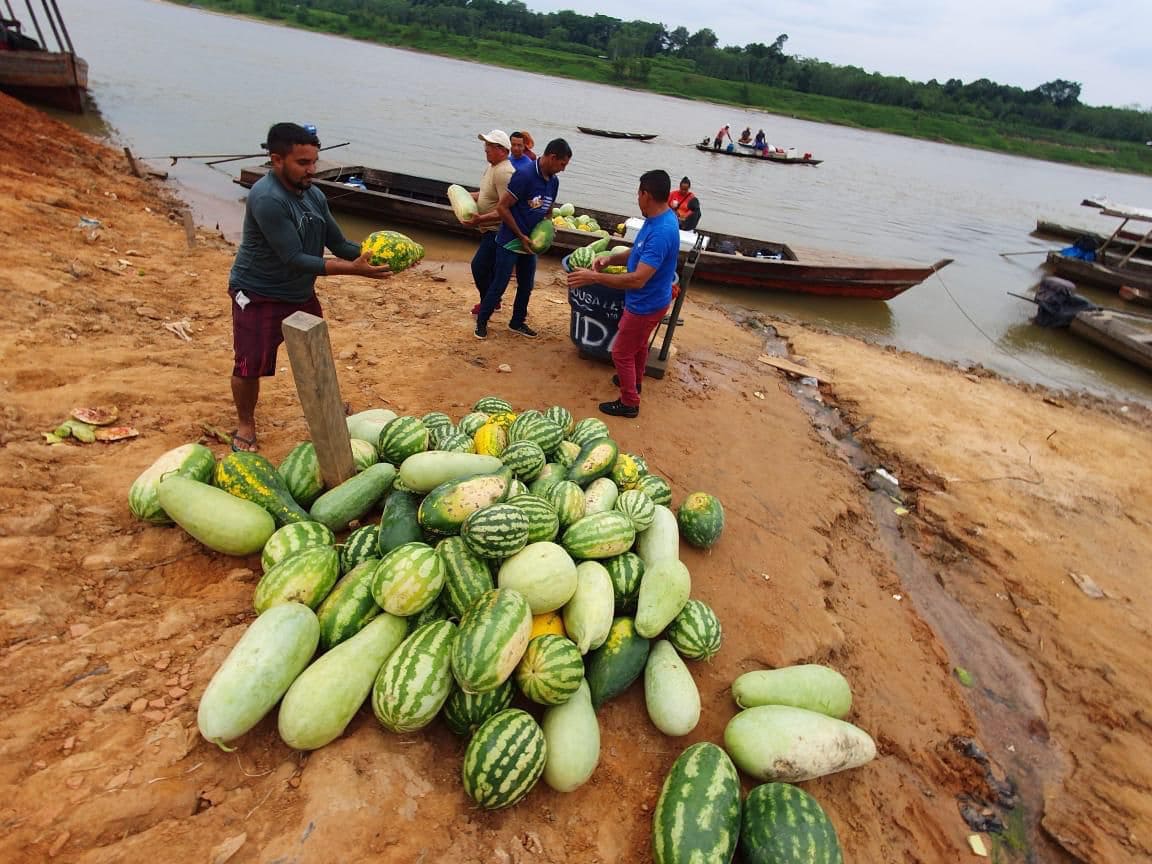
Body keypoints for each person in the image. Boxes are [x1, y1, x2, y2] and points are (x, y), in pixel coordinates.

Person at [227, 122, 390, 452]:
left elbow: (340, 244)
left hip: (298, 293)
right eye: (303, 163)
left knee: (315, 354)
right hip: (258, 293)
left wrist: (382, 256)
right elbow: (294, 258)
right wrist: (354, 272)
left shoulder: (314, 195)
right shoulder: (267, 198)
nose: (312, 170)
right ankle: (246, 423)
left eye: (314, 162)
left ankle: (326, 405)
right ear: (276, 160)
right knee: (249, 364)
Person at [567, 169, 679, 418]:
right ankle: (635, 382)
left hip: (645, 304)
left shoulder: (662, 231)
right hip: (650, 301)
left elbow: (638, 279)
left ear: (646, 195)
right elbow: (638, 250)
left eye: (638, 194)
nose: (637, 199)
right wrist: (610, 259)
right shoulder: (657, 218)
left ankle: (629, 402)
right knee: (638, 347)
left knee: (620, 352)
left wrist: (593, 277)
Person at [475, 137, 573, 340]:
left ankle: (517, 322)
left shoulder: (553, 182)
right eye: (562, 164)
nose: (563, 169)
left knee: (526, 285)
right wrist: (520, 235)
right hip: (510, 240)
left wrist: (548, 227)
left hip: (530, 245)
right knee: (499, 283)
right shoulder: (525, 175)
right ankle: (482, 322)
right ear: (552, 157)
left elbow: (548, 209)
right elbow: (502, 207)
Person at [466, 129, 529, 316]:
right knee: (488, 269)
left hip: (497, 231)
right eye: (485, 144)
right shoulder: (492, 167)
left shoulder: (505, 173)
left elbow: (505, 209)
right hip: (488, 229)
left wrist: (480, 219)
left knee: (478, 267)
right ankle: (492, 301)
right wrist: (464, 195)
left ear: (501, 149)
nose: (485, 148)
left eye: (489, 146)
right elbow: (486, 195)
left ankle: (489, 302)